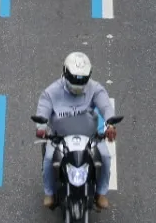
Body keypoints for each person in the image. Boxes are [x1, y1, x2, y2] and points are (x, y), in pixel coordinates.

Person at [35, 52, 117, 211]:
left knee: (106, 157)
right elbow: (42, 112)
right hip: (59, 138)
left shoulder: (95, 89)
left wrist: (110, 125)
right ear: (65, 72)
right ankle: (50, 193)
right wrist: (41, 128)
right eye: (74, 78)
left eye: (82, 79)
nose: (78, 83)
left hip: (90, 138)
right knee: (48, 159)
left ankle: (101, 193)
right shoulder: (51, 92)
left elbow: (106, 107)